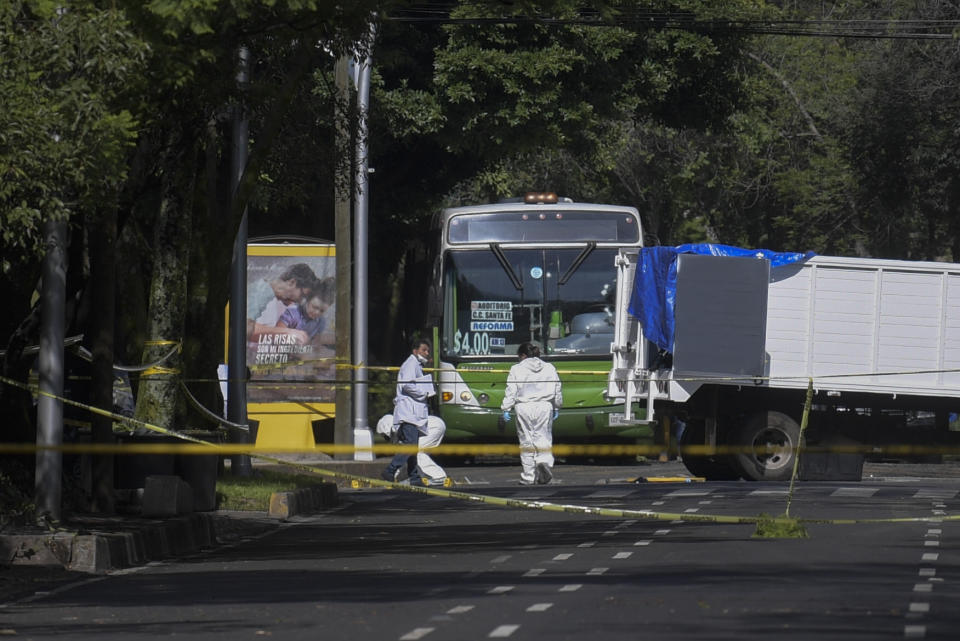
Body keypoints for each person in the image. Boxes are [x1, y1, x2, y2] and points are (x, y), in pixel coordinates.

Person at [501, 342, 563, 485]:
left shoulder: (516, 369)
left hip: (523, 407)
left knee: (526, 442)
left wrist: (506, 408)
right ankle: (543, 462)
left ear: (522, 356)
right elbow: (557, 389)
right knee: (544, 438)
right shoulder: (549, 367)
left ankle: (528, 477)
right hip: (544, 406)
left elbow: (511, 390)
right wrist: (557, 406)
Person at [381, 338, 435, 485]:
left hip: (413, 414)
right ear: (415, 351)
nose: (426, 353)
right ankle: (390, 470)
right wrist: (424, 394)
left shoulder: (416, 365)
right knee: (410, 444)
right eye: (424, 350)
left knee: (413, 447)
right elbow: (407, 385)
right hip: (408, 413)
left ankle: (415, 478)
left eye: (428, 351)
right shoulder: (410, 364)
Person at [247, 263, 318, 345]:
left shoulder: (266, 292)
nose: (299, 301)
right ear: (292, 282)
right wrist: (287, 333)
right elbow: (244, 328)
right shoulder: (260, 291)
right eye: (302, 295)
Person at [376, 414, 448, 486]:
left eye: (385, 436)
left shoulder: (402, 430)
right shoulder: (401, 427)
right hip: (435, 424)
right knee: (415, 453)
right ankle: (421, 477)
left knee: (417, 452)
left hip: (434, 426)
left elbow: (401, 458)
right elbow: (401, 457)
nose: (387, 439)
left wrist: (389, 479)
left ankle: (439, 477)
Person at [277, 277, 335, 341]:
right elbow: (276, 333)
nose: (317, 312)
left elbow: (316, 343)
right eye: (315, 307)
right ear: (308, 299)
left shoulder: (320, 321)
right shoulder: (293, 313)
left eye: (322, 310)